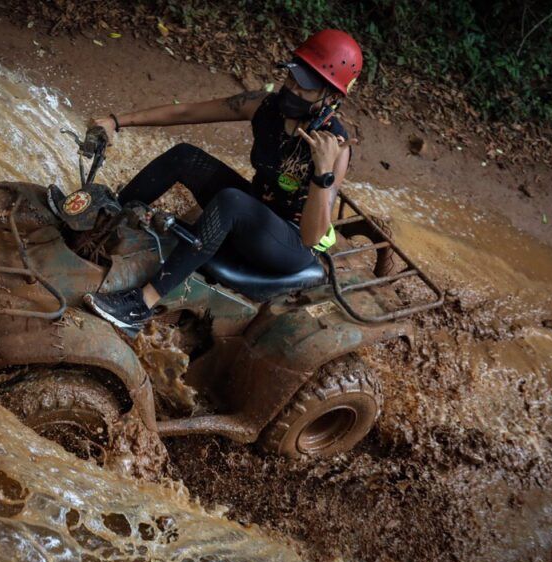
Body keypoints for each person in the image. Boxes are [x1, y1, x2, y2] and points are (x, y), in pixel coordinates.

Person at [80, 29, 363, 334]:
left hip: (290, 242)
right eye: (292, 79)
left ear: (331, 97)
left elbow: (312, 236)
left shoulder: (334, 146)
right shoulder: (265, 106)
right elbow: (188, 111)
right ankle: (106, 219)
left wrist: (322, 172)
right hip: (254, 210)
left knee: (231, 201)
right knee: (186, 156)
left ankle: (140, 306)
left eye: (305, 88)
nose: (292, 90)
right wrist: (116, 121)